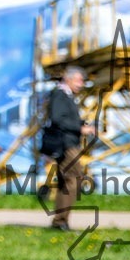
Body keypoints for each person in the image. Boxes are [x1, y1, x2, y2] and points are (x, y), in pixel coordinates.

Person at [40, 66, 96, 229]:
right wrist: (80, 128)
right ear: (68, 79)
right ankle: (60, 220)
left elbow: (64, 118)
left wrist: (83, 124)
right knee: (73, 179)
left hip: (70, 142)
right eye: (78, 80)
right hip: (66, 144)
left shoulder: (67, 96)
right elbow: (57, 118)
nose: (81, 84)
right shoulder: (60, 94)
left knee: (68, 180)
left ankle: (60, 220)